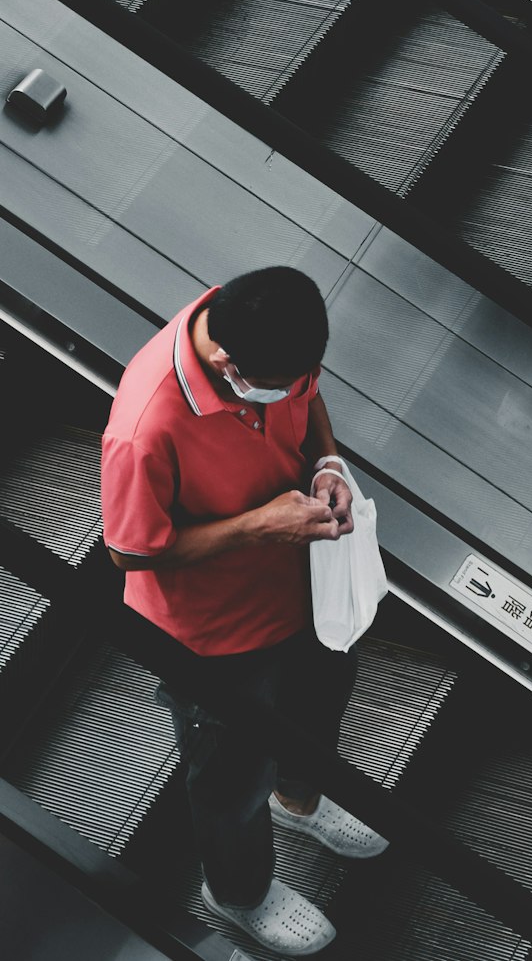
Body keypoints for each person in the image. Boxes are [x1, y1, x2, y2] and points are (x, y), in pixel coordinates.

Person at [101, 266, 387, 957]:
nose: (292, 390)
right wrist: (259, 527)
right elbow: (130, 551)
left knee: (320, 707)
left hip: (303, 587)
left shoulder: (269, 342)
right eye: (276, 383)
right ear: (228, 365)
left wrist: (327, 465)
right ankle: (237, 894)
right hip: (215, 637)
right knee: (229, 779)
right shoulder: (147, 427)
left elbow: (308, 397)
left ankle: (300, 801)